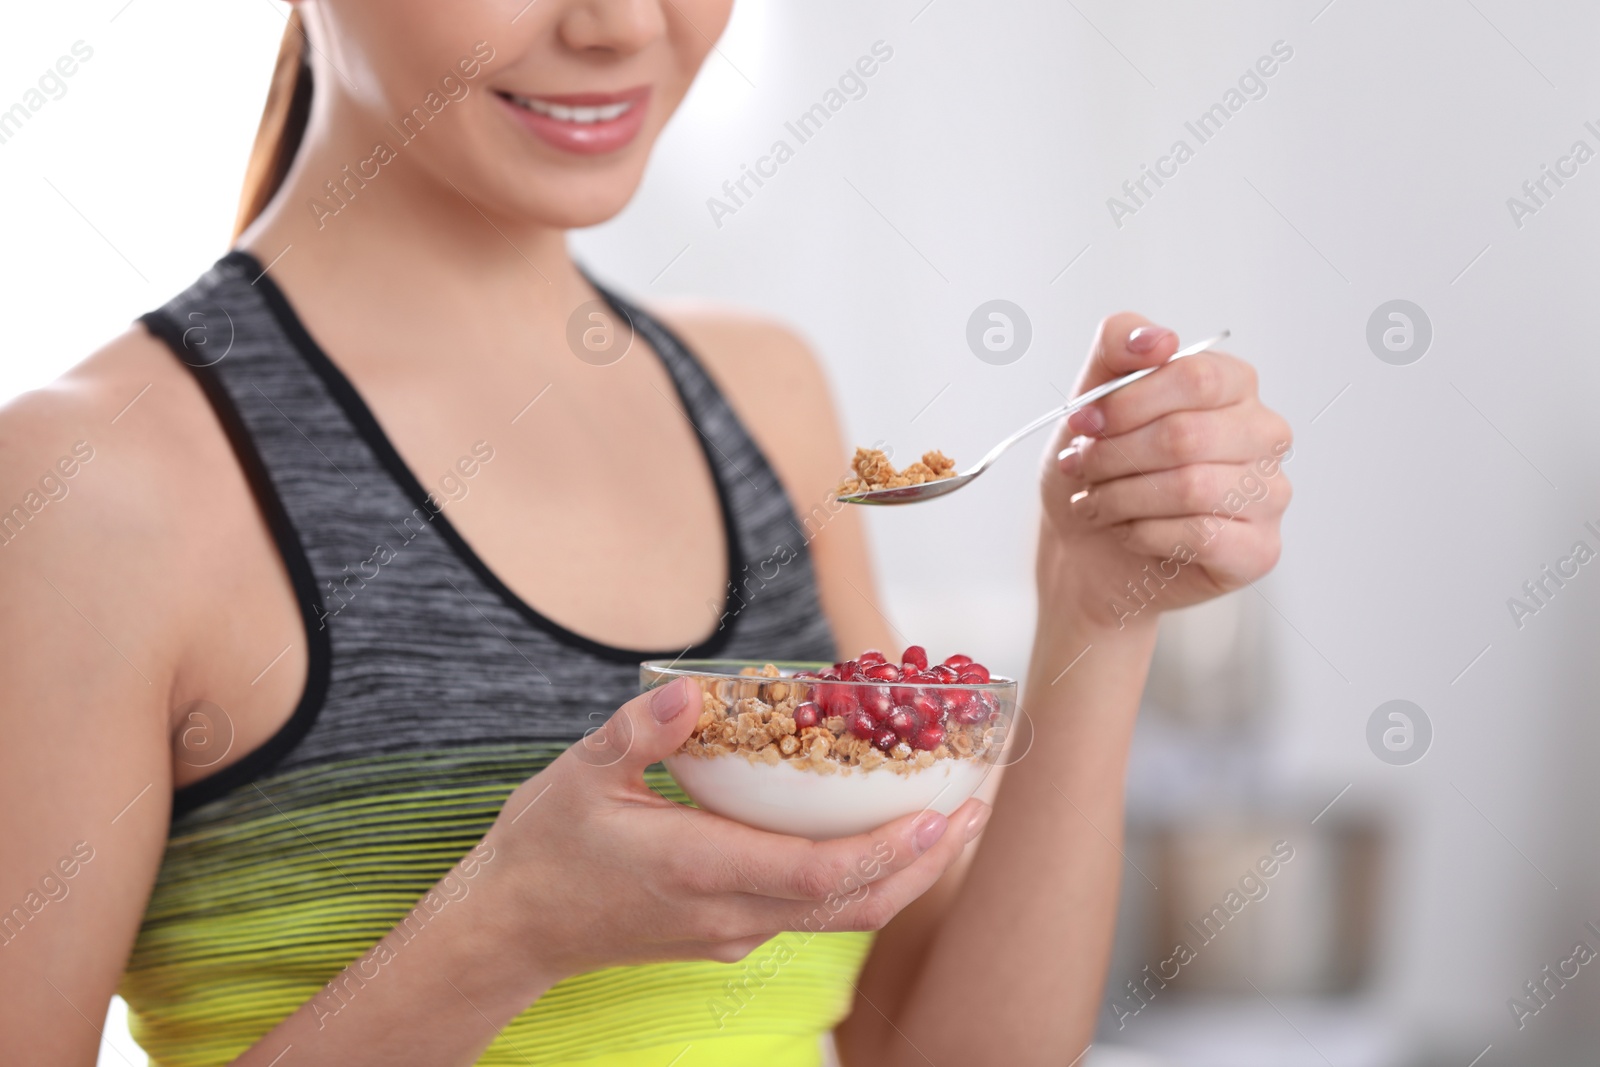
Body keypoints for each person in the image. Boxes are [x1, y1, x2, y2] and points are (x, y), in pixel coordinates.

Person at [0, 2, 1292, 1064]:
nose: (623, 24)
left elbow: (932, 1048)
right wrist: (502, 931)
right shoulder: (94, 487)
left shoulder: (764, 401)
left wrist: (1097, 616)